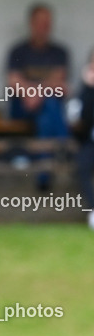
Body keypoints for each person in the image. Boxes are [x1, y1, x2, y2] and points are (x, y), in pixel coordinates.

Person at [6, 4, 70, 189]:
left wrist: (36, 92)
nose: (45, 27)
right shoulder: (18, 51)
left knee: (47, 113)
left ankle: (43, 175)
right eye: (41, 23)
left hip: (45, 107)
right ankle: (64, 146)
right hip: (22, 107)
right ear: (31, 23)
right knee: (50, 105)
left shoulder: (59, 52)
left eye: (48, 23)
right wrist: (35, 92)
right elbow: (14, 82)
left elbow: (60, 83)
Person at [71, 51, 94, 229]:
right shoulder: (85, 91)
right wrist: (89, 88)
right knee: (83, 167)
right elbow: (79, 122)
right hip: (90, 143)